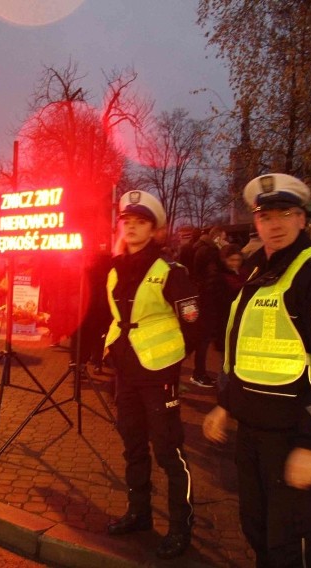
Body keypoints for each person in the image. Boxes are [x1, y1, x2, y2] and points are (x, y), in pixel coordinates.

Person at [202, 173, 311, 567]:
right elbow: (243, 349)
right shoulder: (258, 272)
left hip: (291, 435)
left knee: (289, 543)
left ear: (302, 218)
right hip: (250, 431)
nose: (275, 224)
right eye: (266, 215)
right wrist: (226, 404)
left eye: (285, 213)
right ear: (256, 223)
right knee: (256, 528)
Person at [104, 190, 200, 560]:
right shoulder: (116, 268)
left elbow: (193, 325)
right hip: (126, 372)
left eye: (140, 222)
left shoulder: (170, 272)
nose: (130, 227)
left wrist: (171, 362)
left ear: (155, 229)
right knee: (132, 445)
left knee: (168, 450)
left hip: (158, 374)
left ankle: (181, 527)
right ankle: (139, 514)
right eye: (126, 221)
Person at [189, 225, 227, 388]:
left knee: (199, 338)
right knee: (202, 339)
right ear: (217, 237)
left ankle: (198, 372)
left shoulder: (197, 247)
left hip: (199, 297)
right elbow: (212, 277)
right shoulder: (210, 251)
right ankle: (199, 373)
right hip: (207, 300)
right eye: (224, 237)